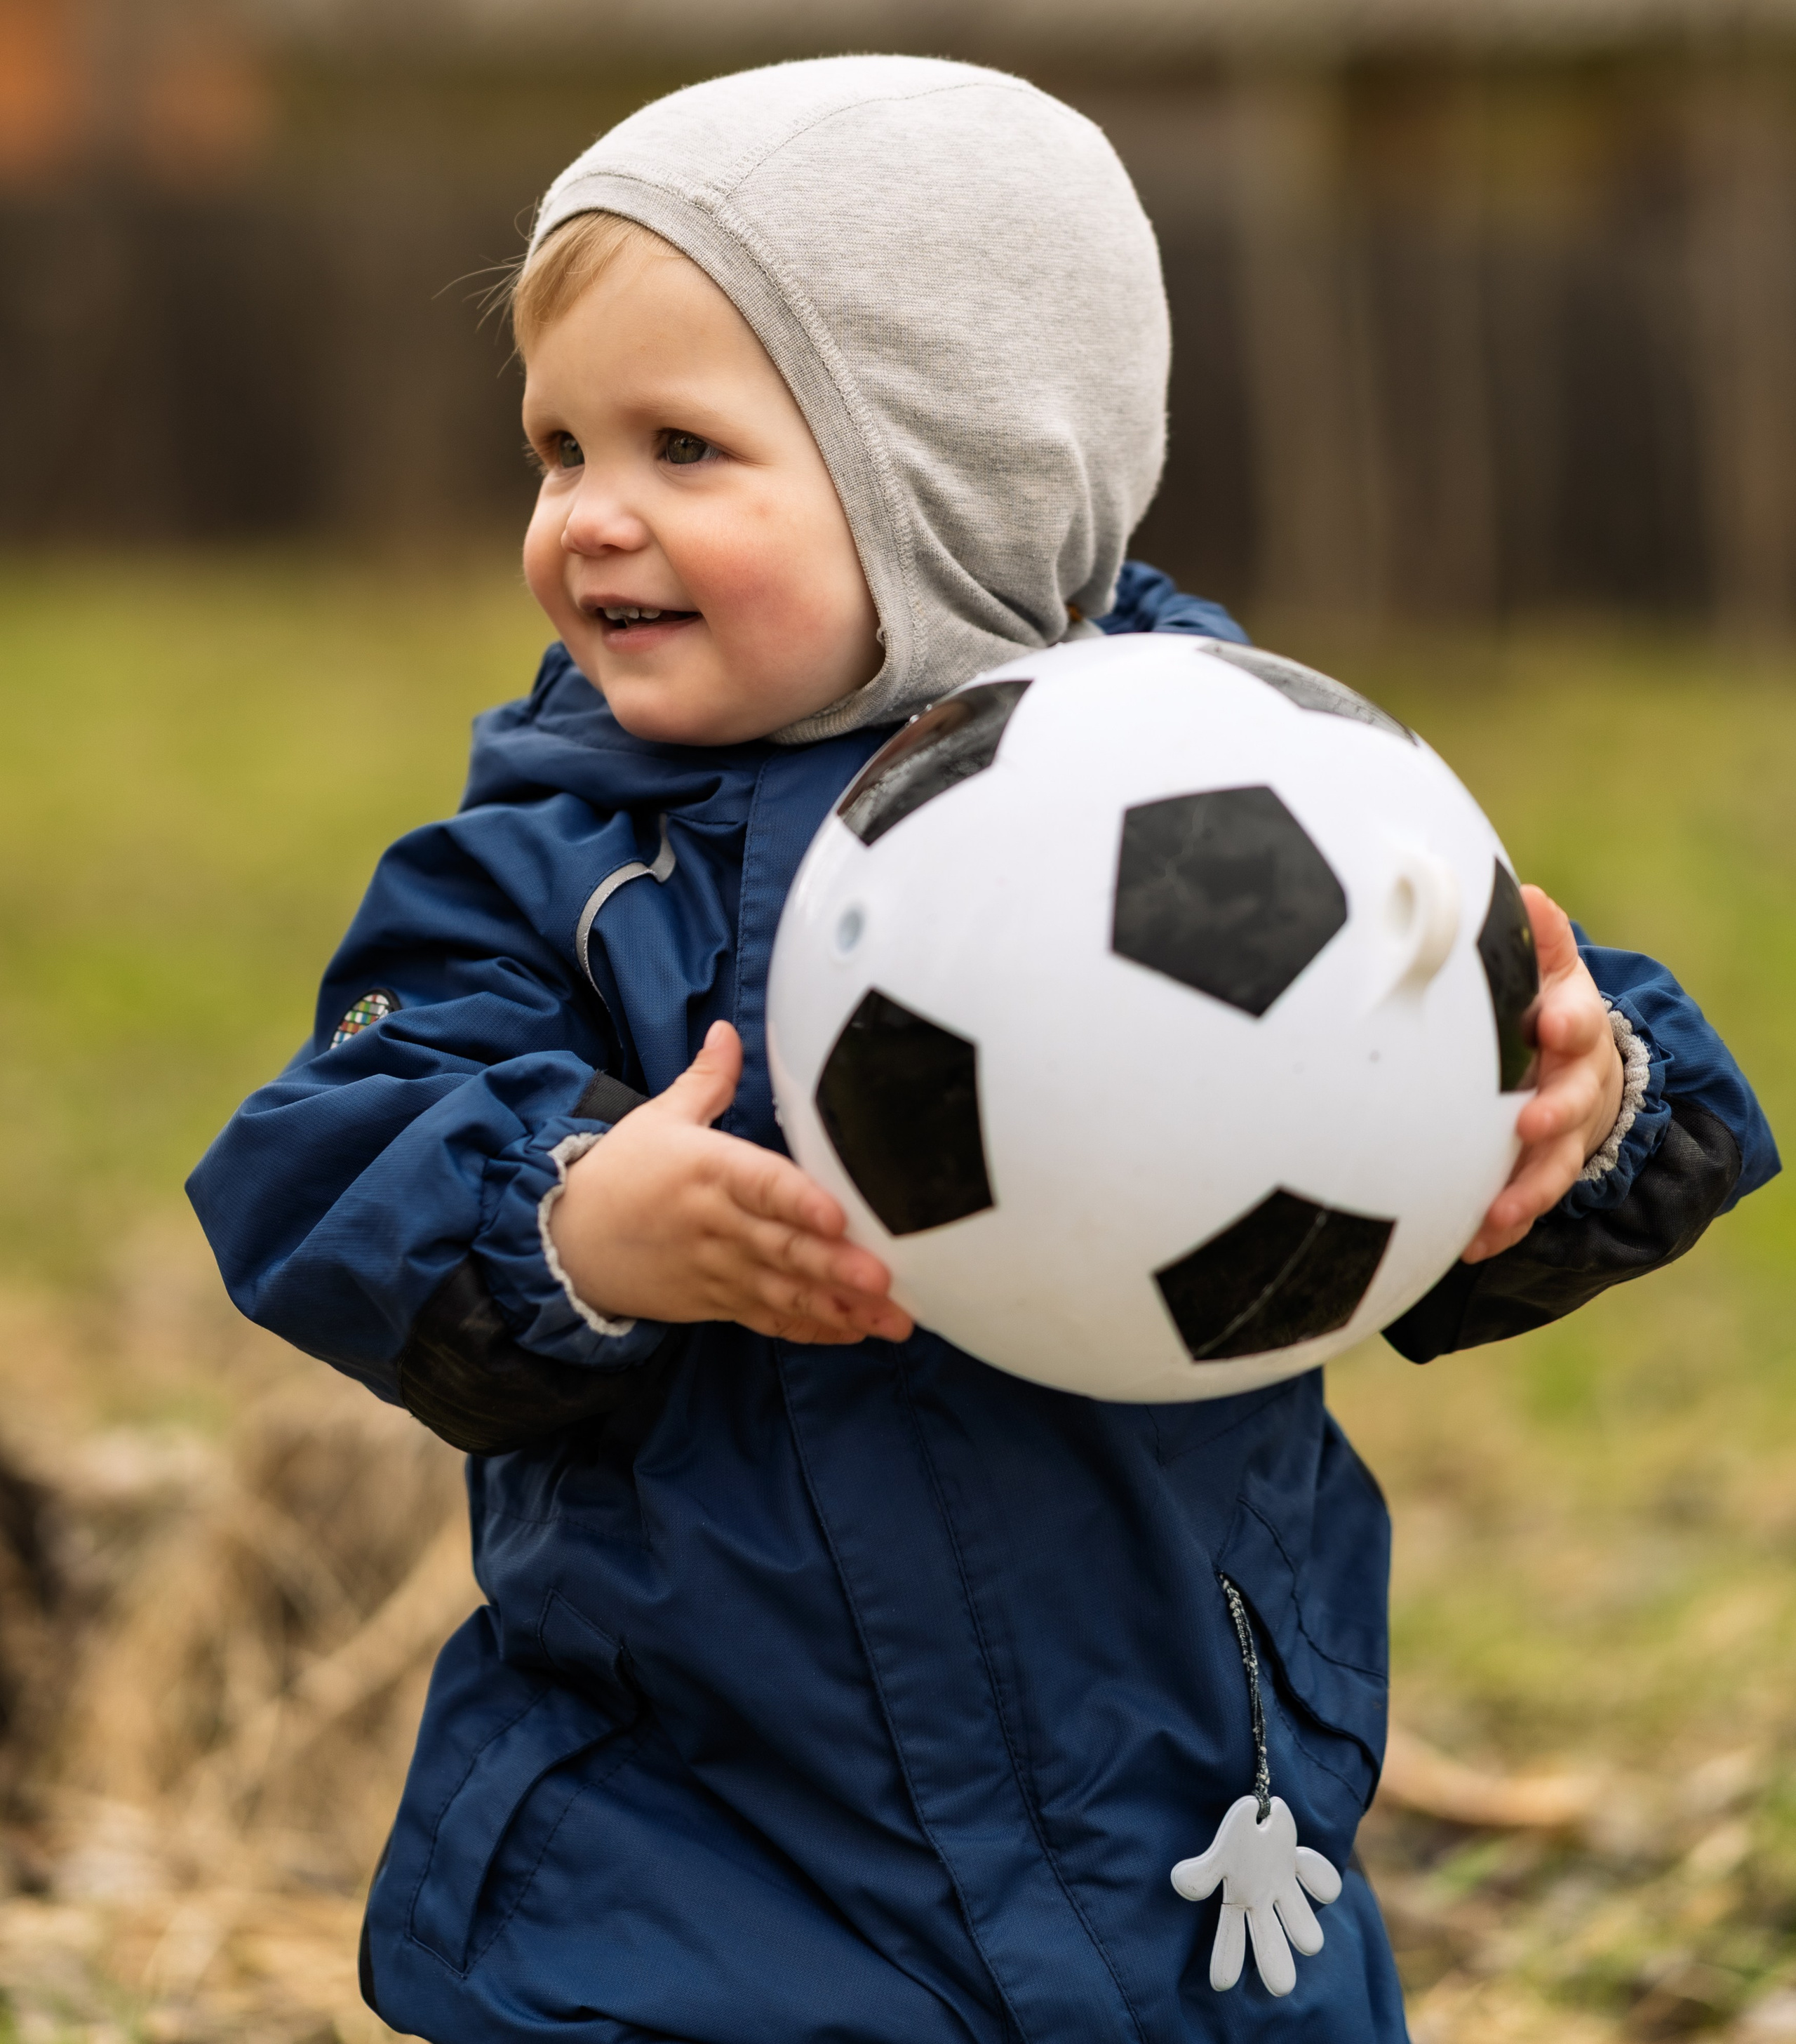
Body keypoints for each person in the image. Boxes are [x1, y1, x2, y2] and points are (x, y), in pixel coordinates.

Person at [189, 55, 1778, 2044]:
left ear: (954, 469)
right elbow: (329, 1148)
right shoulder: (560, 866)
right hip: (683, 1864)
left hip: (1186, 1828)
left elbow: (1531, 1043)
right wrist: (573, 1221)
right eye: (557, 447)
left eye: (682, 445)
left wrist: (1587, 1100)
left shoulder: (1241, 804)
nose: (587, 516)